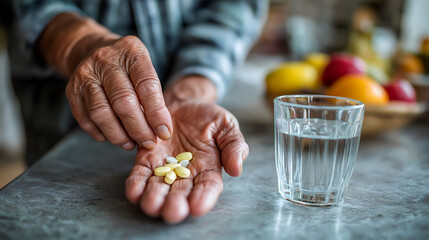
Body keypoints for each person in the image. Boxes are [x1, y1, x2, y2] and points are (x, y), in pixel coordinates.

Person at [8, 0, 267, 223]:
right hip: (60, 155)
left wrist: (190, 88)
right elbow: (27, 8)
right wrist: (82, 43)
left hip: (172, 133)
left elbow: (234, 6)